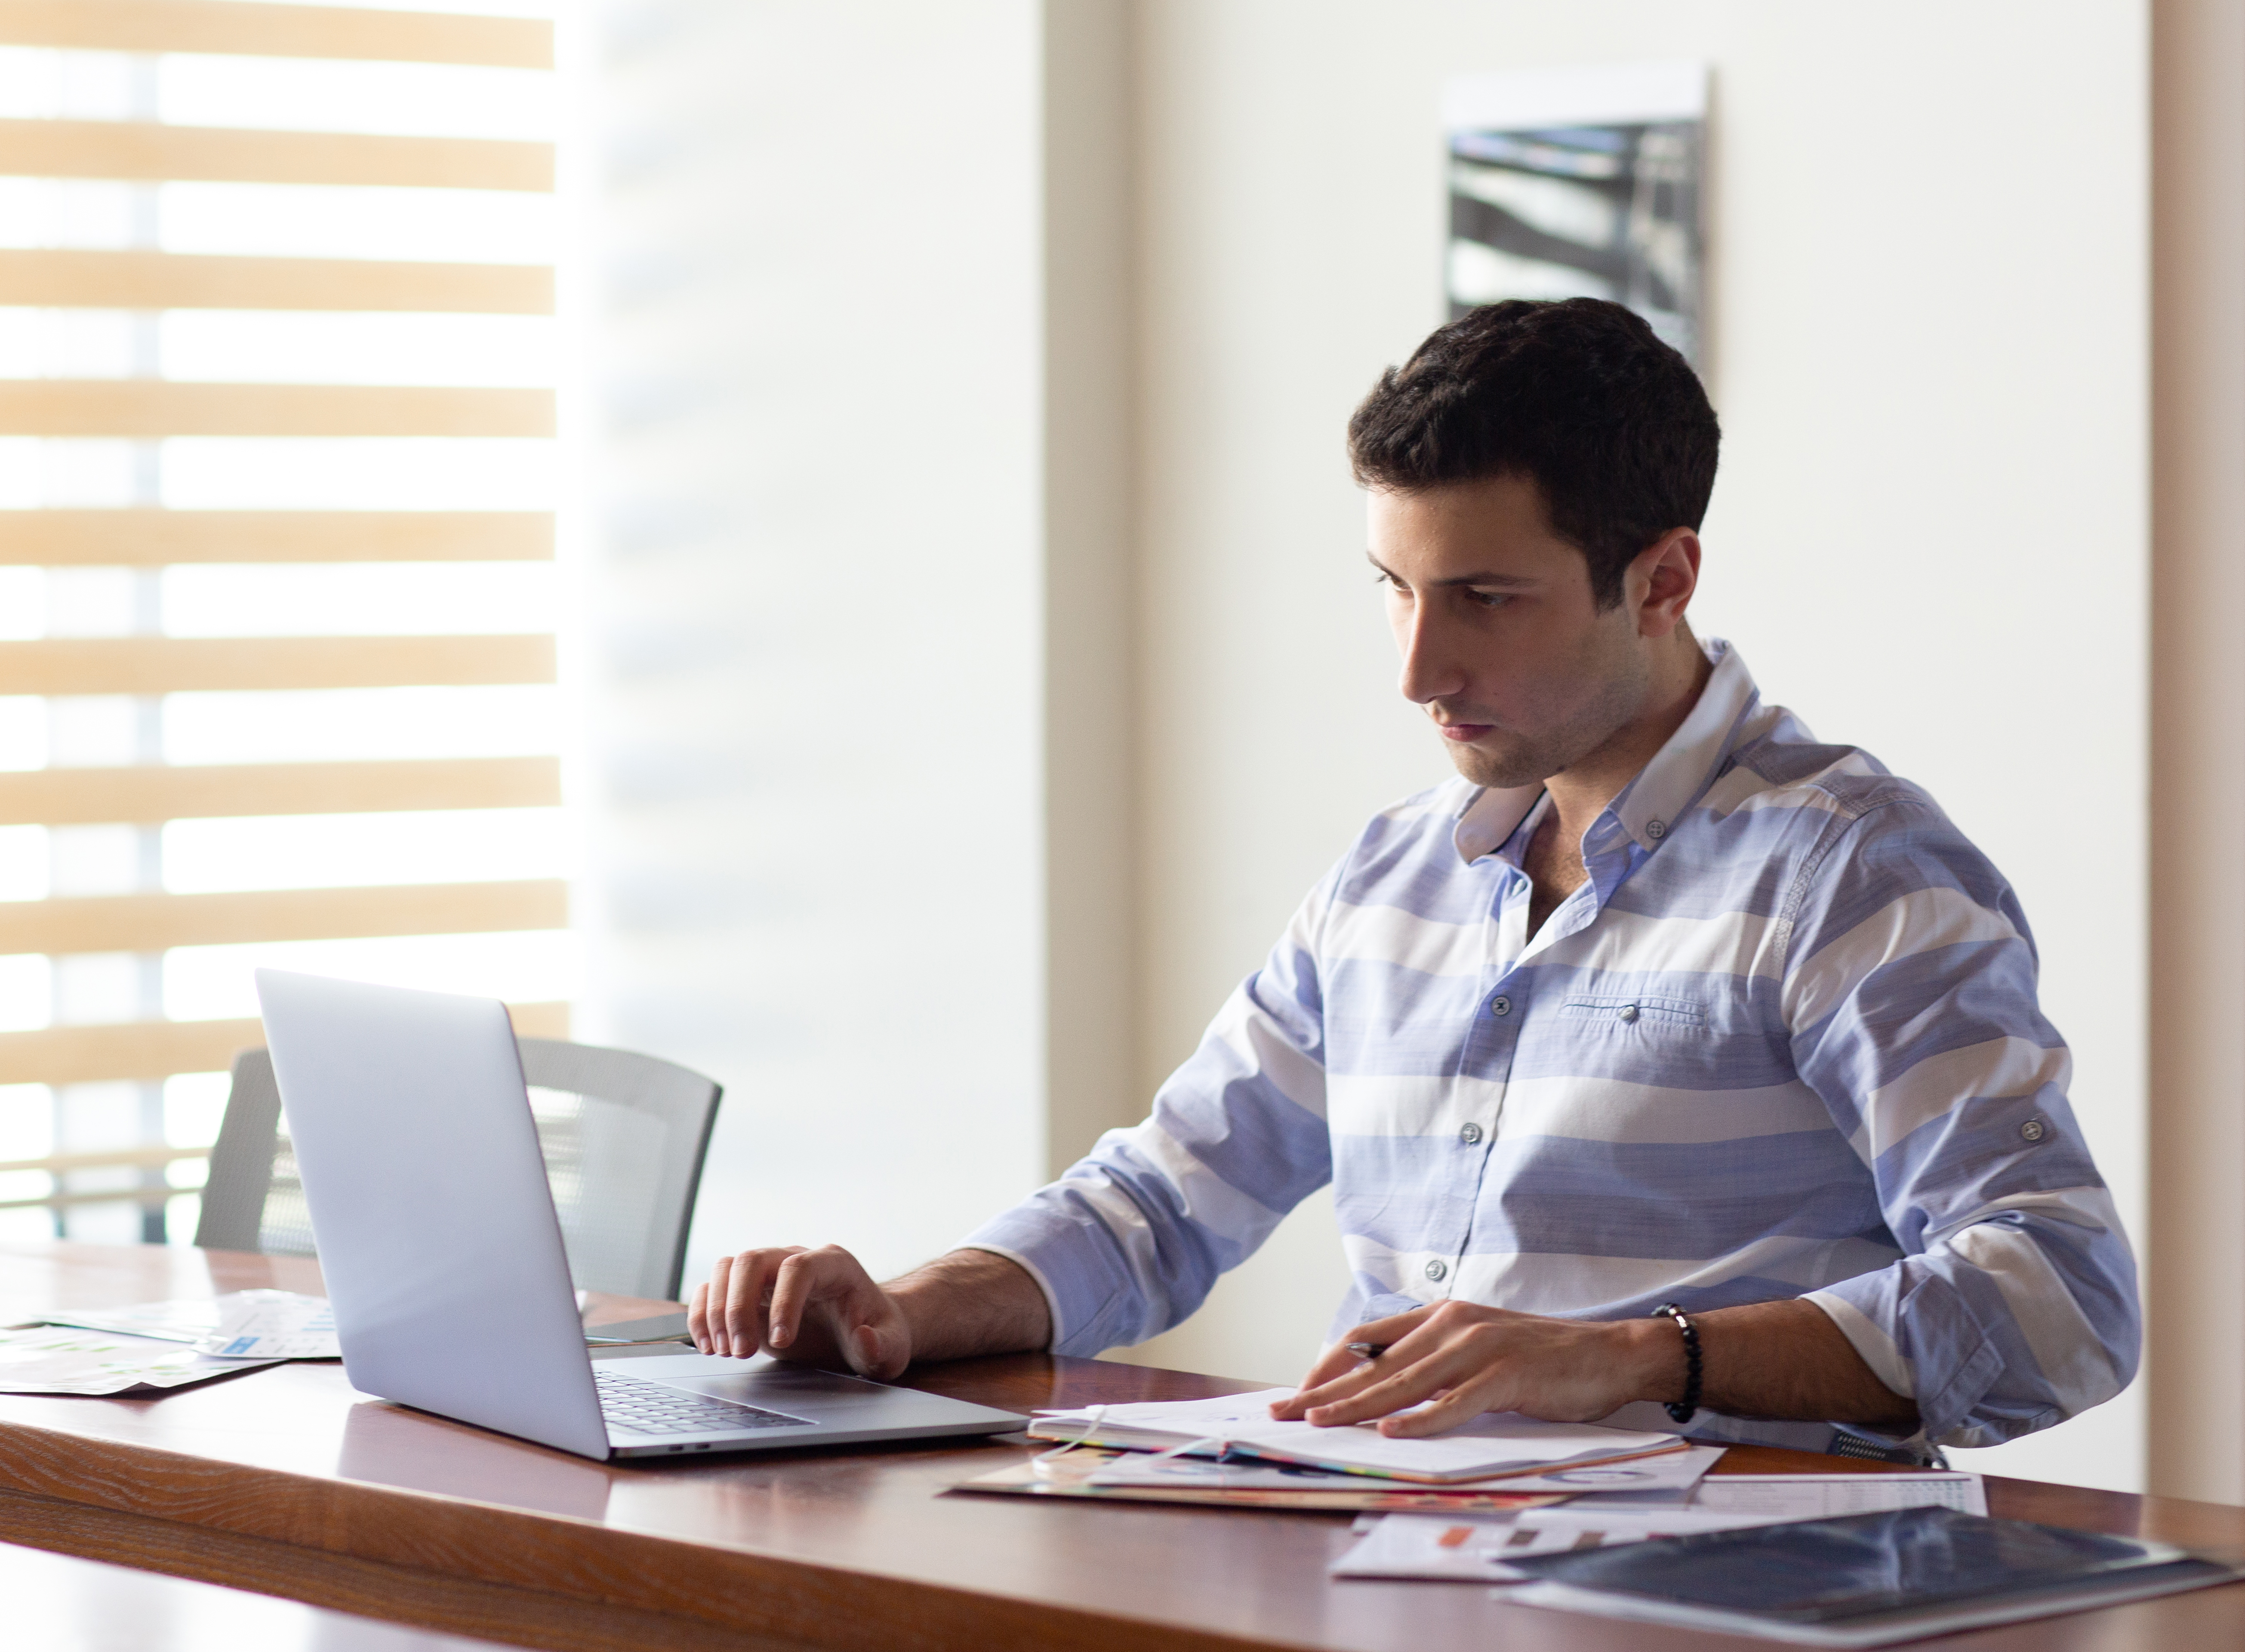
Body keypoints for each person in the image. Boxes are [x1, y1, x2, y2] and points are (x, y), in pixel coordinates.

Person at [691, 297, 2140, 1458]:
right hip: (1392, 1559)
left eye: (1484, 601)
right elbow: (1163, 1201)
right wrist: (898, 1311)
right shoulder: (1395, 874)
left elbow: (2060, 1298)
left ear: (1663, 579)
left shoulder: (1852, 873)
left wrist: (1634, 1361)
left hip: (1731, 1592)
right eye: (1393, 587)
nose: (1416, 669)